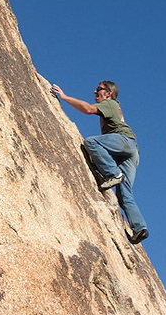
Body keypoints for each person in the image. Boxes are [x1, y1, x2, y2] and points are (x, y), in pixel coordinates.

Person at [52, 81, 149, 245]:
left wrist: (65, 97)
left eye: (99, 89)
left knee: (91, 142)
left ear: (108, 93)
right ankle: (139, 228)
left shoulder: (109, 104)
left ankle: (113, 174)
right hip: (131, 151)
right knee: (124, 194)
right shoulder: (113, 107)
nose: (95, 91)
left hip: (124, 141)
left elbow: (88, 109)